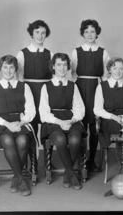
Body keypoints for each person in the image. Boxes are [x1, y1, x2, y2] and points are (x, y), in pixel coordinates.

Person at [0, 55, 36, 196]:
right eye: (5, 67)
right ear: (0, 68)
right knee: (7, 140)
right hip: (0, 124)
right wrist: (7, 124)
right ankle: (21, 179)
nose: (8, 71)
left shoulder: (24, 87)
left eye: (11, 67)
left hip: (20, 122)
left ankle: (16, 179)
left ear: (16, 69)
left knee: (23, 140)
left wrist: (20, 123)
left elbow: (31, 111)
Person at [39, 53, 86, 190]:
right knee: (60, 139)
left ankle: (67, 173)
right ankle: (71, 173)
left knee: (75, 140)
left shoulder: (73, 86)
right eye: (59, 64)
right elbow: (44, 113)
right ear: (53, 67)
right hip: (53, 120)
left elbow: (80, 109)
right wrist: (60, 122)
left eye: (65, 65)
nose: (62, 68)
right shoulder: (46, 87)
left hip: (70, 119)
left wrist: (71, 121)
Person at [71, 19, 110, 172]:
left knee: (95, 126)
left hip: (97, 88)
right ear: (82, 33)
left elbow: (107, 74)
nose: (89, 34)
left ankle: (92, 160)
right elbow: (73, 72)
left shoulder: (103, 52)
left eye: (92, 31)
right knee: (81, 124)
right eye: (86, 32)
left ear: (97, 33)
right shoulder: (76, 51)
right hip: (80, 88)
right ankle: (81, 159)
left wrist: (100, 87)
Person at [16, 20, 53, 135]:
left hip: (45, 91)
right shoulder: (22, 54)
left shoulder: (50, 54)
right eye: (37, 32)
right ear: (31, 34)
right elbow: (19, 78)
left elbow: (54, 77)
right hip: (29, 90)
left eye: (43, 33)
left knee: (46, 119)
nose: (40, 36)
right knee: (31, 120)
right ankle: (32, 152)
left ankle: (47, 150)